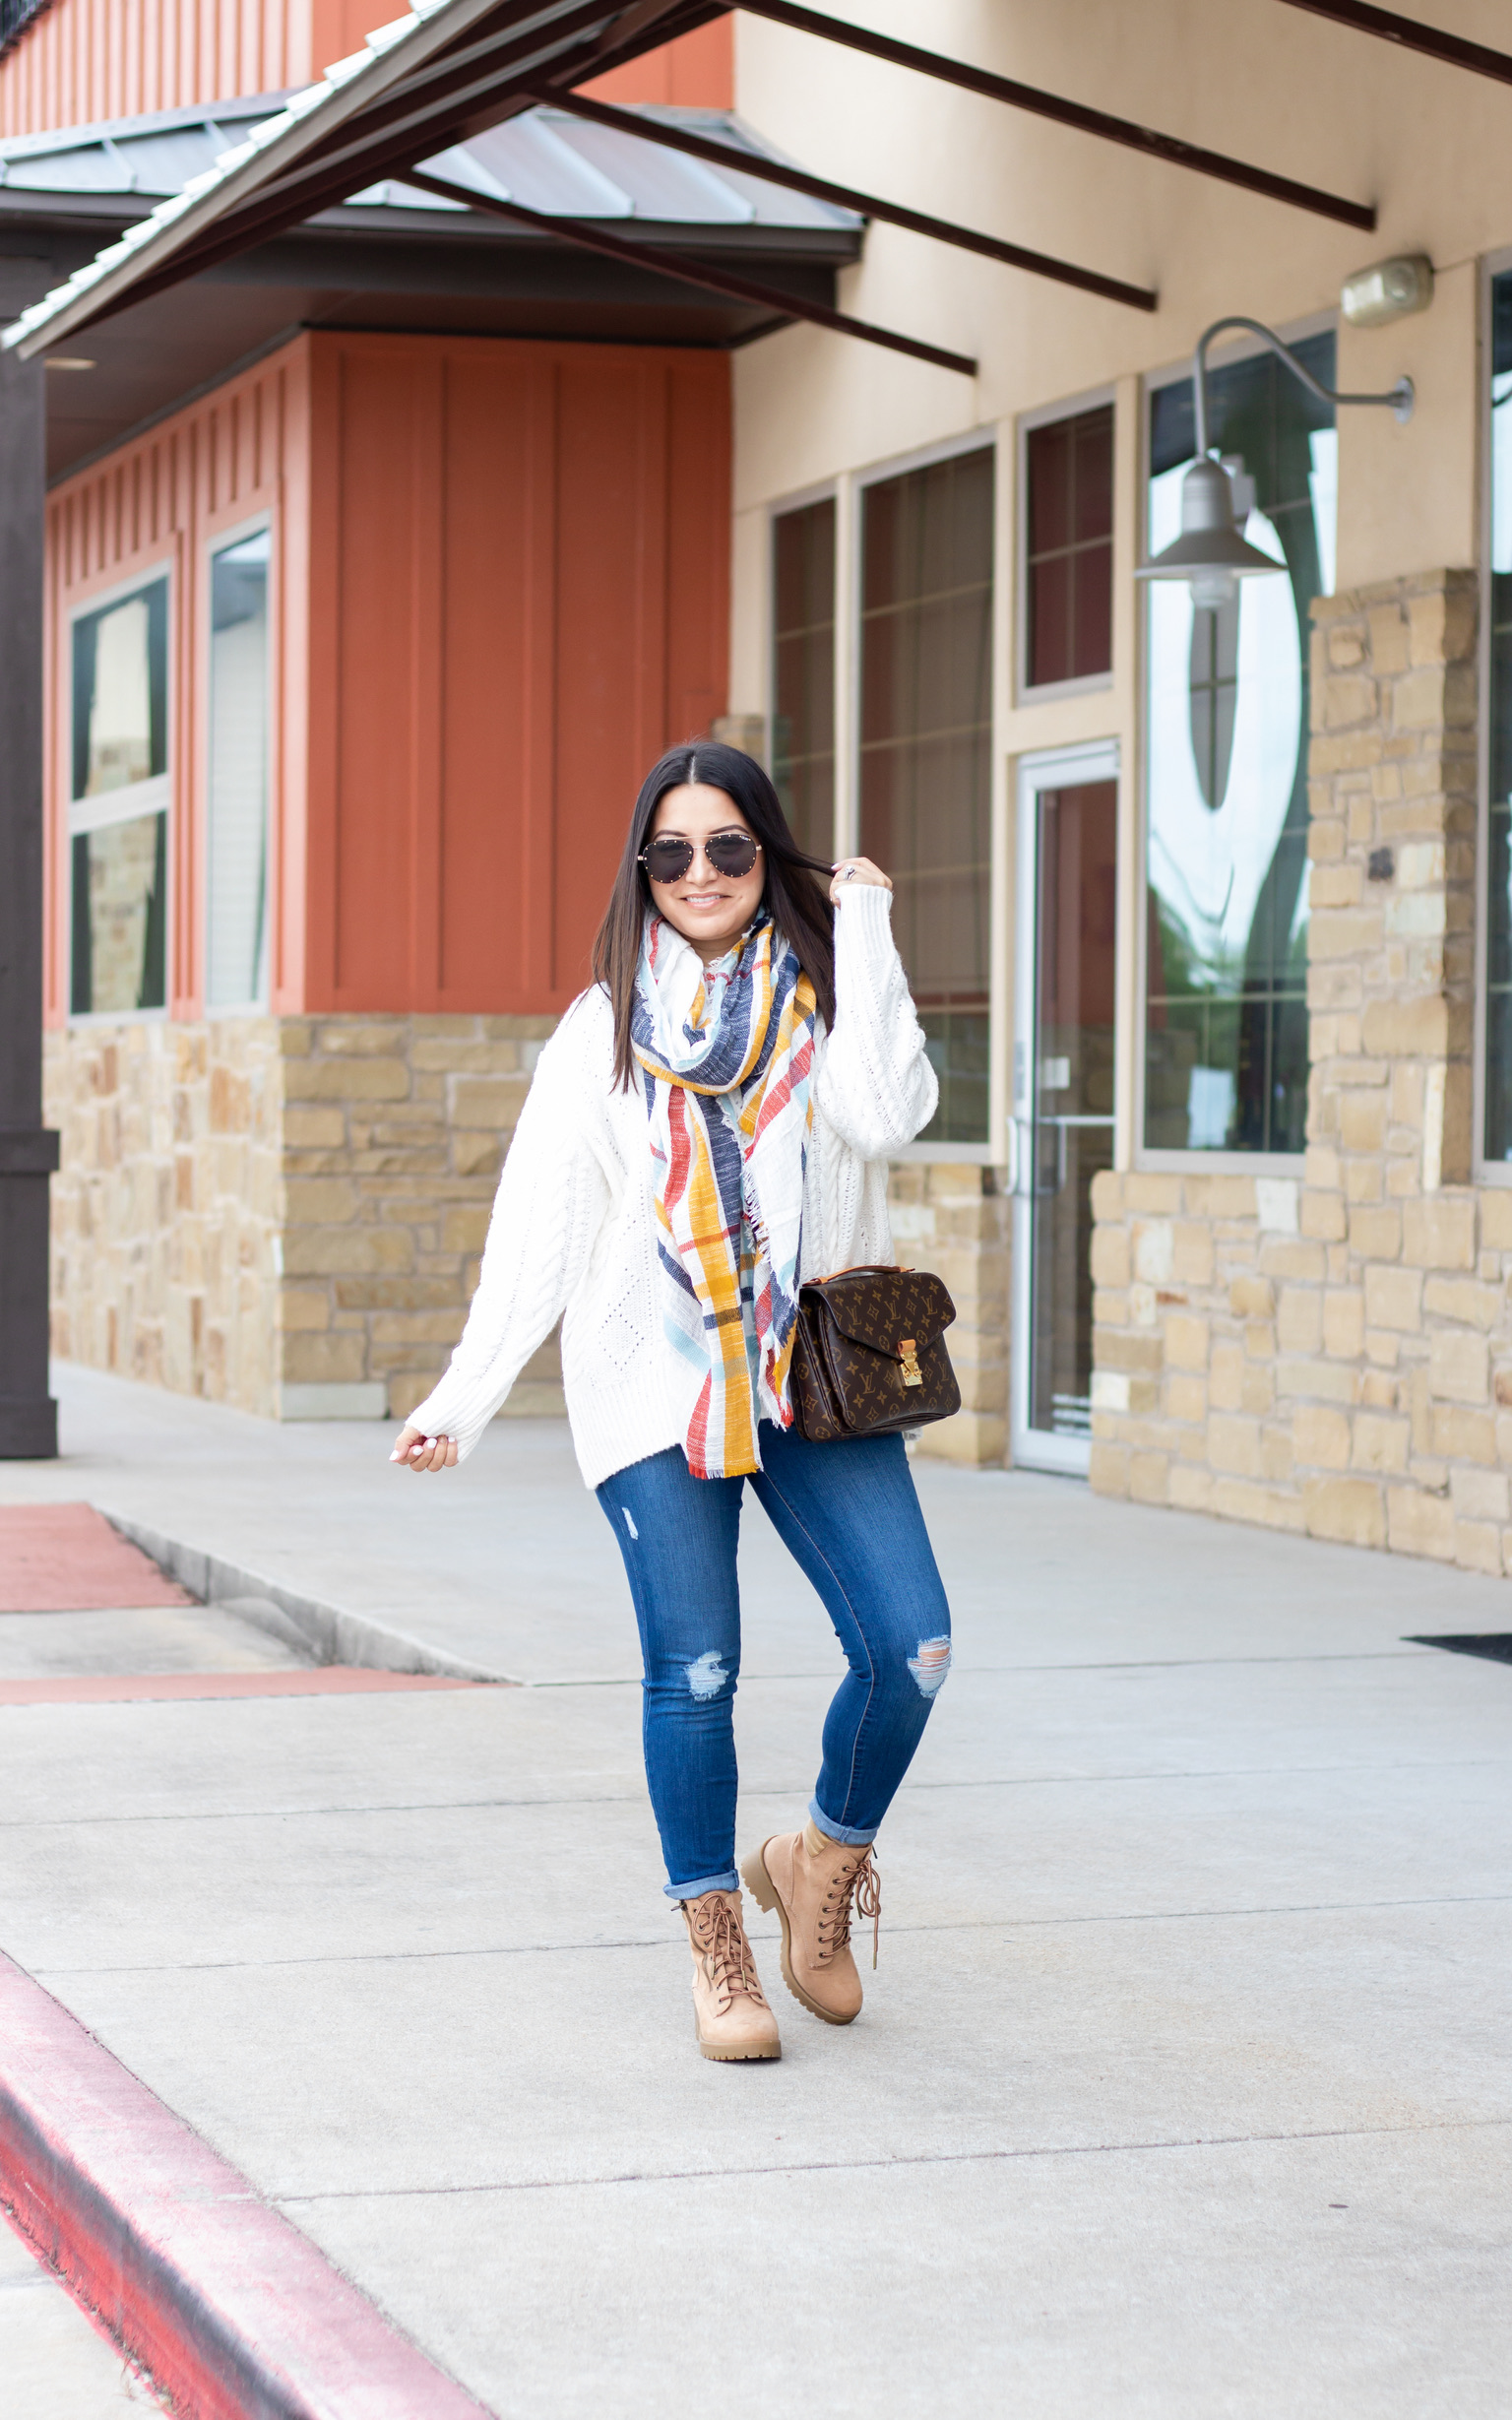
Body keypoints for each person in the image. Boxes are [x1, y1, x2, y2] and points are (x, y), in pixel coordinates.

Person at [390, 741, 952, 2064]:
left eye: (731, 846)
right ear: (643, 869)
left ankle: (819, 1858)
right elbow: (539, 1231)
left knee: (914, 1646)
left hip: (813, 1380)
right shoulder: (599, 1031)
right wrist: (466, 1394)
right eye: (674, 852)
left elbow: (888, 1114)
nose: (703, 872)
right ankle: (715, 1936)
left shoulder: (827, 991)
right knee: (696, 1669)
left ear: (770, 852)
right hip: (654, 1388)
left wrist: (866, 926)